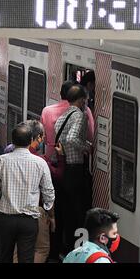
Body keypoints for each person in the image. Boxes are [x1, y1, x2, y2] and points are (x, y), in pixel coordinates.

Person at [0, 123, 55, 263]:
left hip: (6, 218)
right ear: (31, 139)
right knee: (26, 257)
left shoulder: (2, 160)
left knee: (5, 255)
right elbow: (49, 193)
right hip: (29, 220)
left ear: (13, 140)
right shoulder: (40, 163)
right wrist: (51, 215)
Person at [54, 84, 90, 253]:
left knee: (68, 211)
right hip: (76, 169)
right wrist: (85, 147)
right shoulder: (78, 116)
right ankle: (78, 249)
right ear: (82, 99)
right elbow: (71, 137)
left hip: (65, 168)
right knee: (78, 212)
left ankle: (67, 248)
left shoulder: (63, 116)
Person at [41, 80, 94, 159]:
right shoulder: (85, 111)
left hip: (52, 158)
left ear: (60, 93)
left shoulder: (46, 111)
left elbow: (44, 139)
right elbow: (91, 136)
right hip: (75, 159)